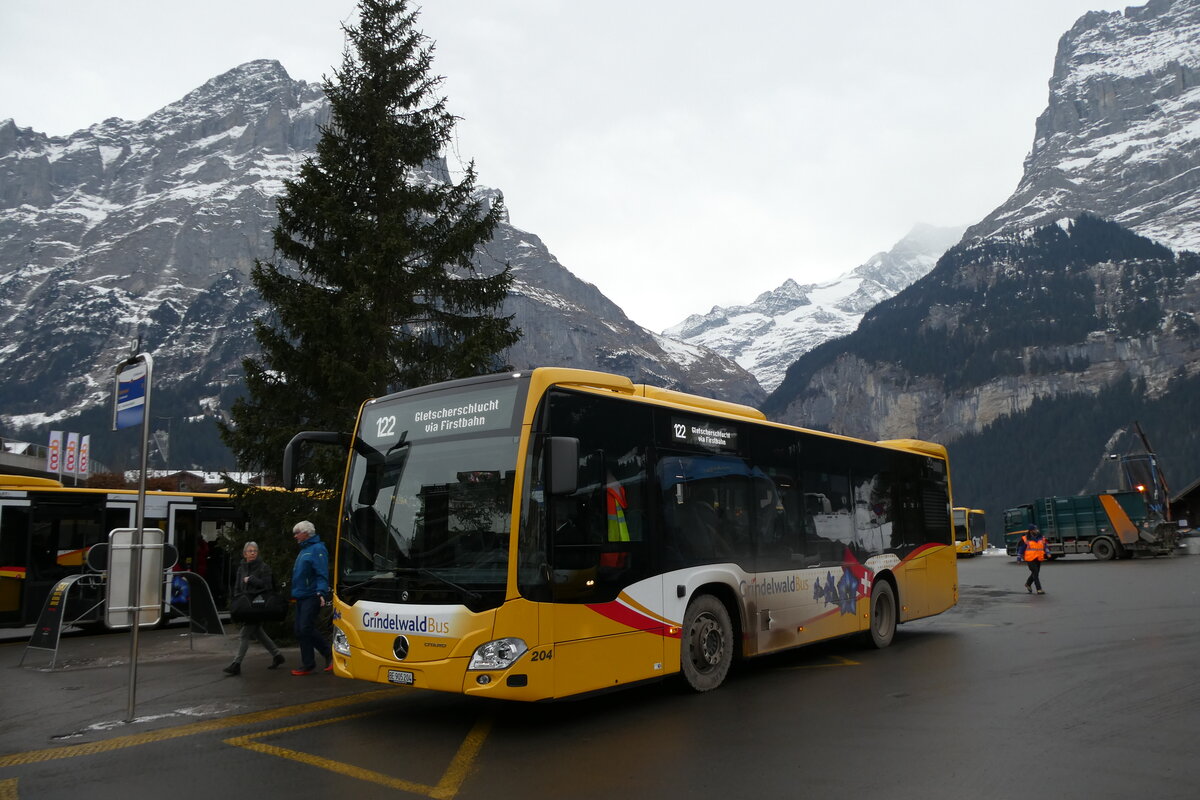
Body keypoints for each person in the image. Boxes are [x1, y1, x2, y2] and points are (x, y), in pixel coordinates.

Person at [223, 541, 285, 675]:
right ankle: (277, 655)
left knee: (244, 634)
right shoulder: (241, 568)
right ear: (244, 554)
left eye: (254, 551)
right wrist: (237, 600)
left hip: (258, 606)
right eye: (250, 551)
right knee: (258, 632)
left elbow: (267, 586)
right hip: (246, 607)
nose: (252, 553)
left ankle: (236, 664)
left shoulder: (264, 567)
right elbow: (238, 587)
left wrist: (251, 579)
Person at [290, 520, 333, 675]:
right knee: (300, 630)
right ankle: (308, 663)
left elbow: (322, 573)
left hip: (312, 594)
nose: (295, 536)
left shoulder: (317, 549)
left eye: (297, 533)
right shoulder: (304, 550)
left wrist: (321, 592)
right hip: (301, 595)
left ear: (306, 533)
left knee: (305, 627)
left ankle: (327, 653)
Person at [1018, 524, 1048, 594]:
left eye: (1036, 529)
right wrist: (1019, 558)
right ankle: (1039, 589)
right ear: (1031, 531)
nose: (1037, 530)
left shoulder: (1040, 537)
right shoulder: (1025, 538)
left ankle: (1028, 584)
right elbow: (1021, 548)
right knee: (1035, 573)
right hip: (1030, 558)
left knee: (1036, 573)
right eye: (1035, 529)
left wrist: (1047, 552)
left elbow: (1044, 545)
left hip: (1038, 557)